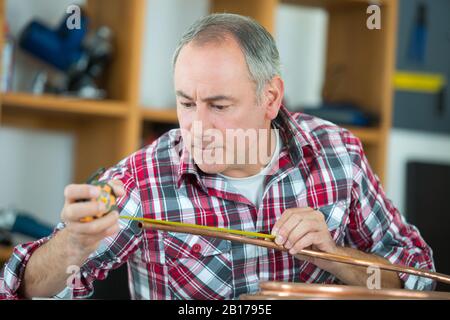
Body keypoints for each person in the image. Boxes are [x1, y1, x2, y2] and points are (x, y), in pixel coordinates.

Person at [0, 13, 435, 300]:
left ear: (271, 97)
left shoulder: (339, 154)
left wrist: (335, 255)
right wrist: (72, 244)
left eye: (219, 106)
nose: (197, 127)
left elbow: (416, 280)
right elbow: (22, 290)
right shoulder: (143, 180)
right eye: (186, 103)